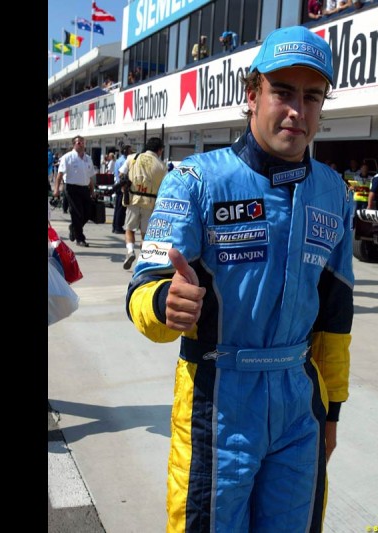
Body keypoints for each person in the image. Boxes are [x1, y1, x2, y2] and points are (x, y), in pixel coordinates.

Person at [125, 25, 354, 531]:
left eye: (312, 96)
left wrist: (332, 411)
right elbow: (143, 288)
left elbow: (336, 317)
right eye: (283, 92)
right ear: (251, 96)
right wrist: (164, 302)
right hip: (217, 401)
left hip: (300, 407)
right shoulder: (196, 181)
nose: (297, 109)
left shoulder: (334, 193)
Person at [119, 137, 166, 269]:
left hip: (133, 200)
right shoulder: (162, 166)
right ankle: (145, 261)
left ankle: (130, 251)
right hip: (151, 202)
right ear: (160, 150)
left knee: (129, 229)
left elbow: (121, 173)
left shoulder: (132, 158)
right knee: (146, 234)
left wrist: (124, 186)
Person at [53, 135, 95, 247]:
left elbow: (90, 177)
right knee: (77, 213)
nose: (81, 144)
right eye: (78, 142)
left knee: (88, 213)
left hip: (84, 189)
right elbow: (59, 175)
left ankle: (73, 227)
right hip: (72, 189)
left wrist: (92, 190)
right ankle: (80, 238)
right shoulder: (68, 157)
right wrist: (56, 190)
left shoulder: (88, 158)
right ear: (74, 144)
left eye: (83, 142)